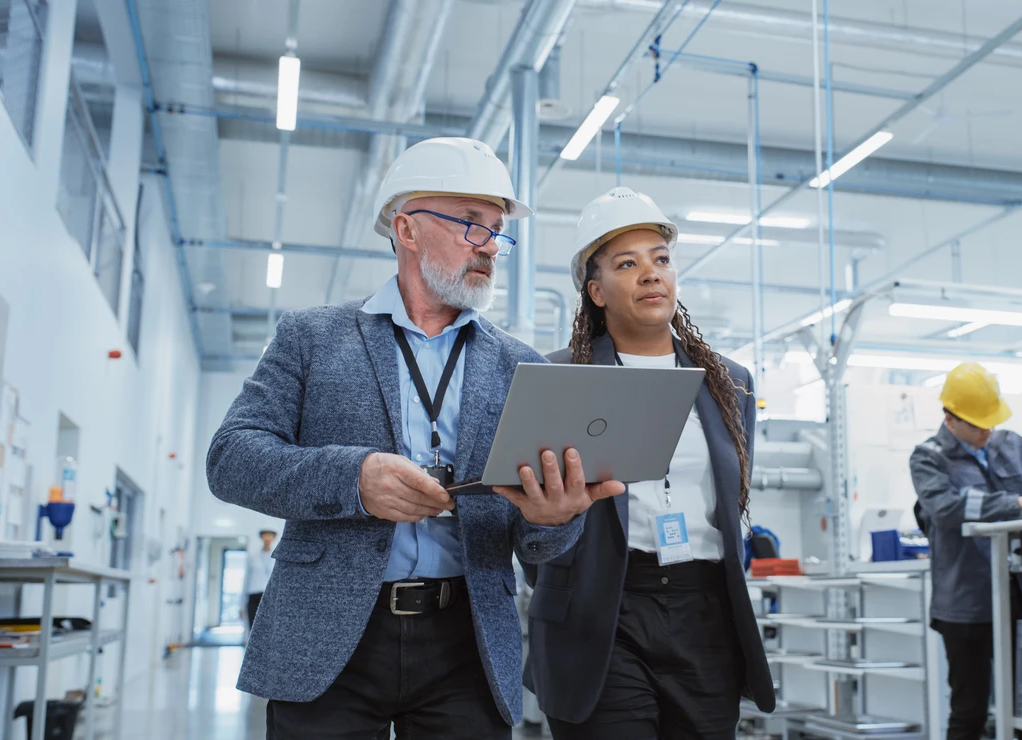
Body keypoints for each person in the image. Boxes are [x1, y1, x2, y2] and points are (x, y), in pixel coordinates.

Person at [206, 137, 624, 739]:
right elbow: (231, 458)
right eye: (471, 224)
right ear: (406, 229)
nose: (490, 247)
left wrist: (555, 519)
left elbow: (535, 545)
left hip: (468, 643)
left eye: (497, 232)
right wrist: (355, 479)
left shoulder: (521, 367)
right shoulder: (312, 338)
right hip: (328, 635)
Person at [523, 187, 775, 739]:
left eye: (660, 259)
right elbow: (531, 516)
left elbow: (731, 499)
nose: (650, 274)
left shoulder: (729, 382)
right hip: (599, 612)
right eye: (627, 264)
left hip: (704, 611)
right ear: (595, 291)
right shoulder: (559, 377)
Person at [909, 362, 1022, 740]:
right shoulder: (928, 458)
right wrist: (1018, 503)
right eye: (978, 425)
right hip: (965, 603)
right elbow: (948, 508)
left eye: (991, 422)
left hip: (1021, 597)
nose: (987, 431)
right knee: (970, 709)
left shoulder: (1013, 446)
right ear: (950, 419)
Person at [241, 528, 276, 631]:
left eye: (270, 535)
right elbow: (246, 581)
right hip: (254, 597)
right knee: (253, 628)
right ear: (261, 537)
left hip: (270, 596)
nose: (267, 538)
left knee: (269, 629)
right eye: (265, 535)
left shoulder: (277, 558)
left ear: (274, 538)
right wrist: (241, 605)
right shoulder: (253, 557)